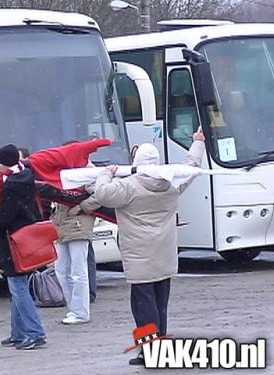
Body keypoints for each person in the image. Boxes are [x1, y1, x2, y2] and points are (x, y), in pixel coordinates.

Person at [94, 129, 206, 365]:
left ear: (136, 162)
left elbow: (102, 194)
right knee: (160, 304)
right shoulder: (171, 184)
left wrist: (107, 173)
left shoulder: (129, 187)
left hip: (139, 257)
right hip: (164, 254)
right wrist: (197, 143)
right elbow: (191, 168)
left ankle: (150, 351)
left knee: (143, 307)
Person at [0, 144, 46, 350]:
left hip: (13, 242)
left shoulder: (11, 186)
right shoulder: (26, 178)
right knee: (17, 287)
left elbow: (2, 218)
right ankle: (18, 333)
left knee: (18, 288)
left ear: (4, 164)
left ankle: (35, 332)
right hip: (26, 240)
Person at [51, 184, 100, 325]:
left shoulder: (84, 173)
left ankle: (80, 312)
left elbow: (100, 195)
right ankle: (74, 308)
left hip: (78, 225)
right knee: (61, 270)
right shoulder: (63, 171)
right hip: (62, 225)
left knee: (78, 271)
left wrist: (82, 207)